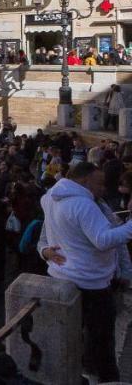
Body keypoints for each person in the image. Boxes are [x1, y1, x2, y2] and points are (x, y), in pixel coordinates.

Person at [39, 160, 132, 383]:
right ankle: (109, 380)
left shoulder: (50, 197)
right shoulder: (84, 205)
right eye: (99, 183)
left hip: (62, 277)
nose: (104, 188)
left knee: (77, 338)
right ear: (84, 180)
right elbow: (103, 241)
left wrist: (44, 251)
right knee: (103, 343)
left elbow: (45, 234)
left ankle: (86, 372)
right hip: (92, 283)